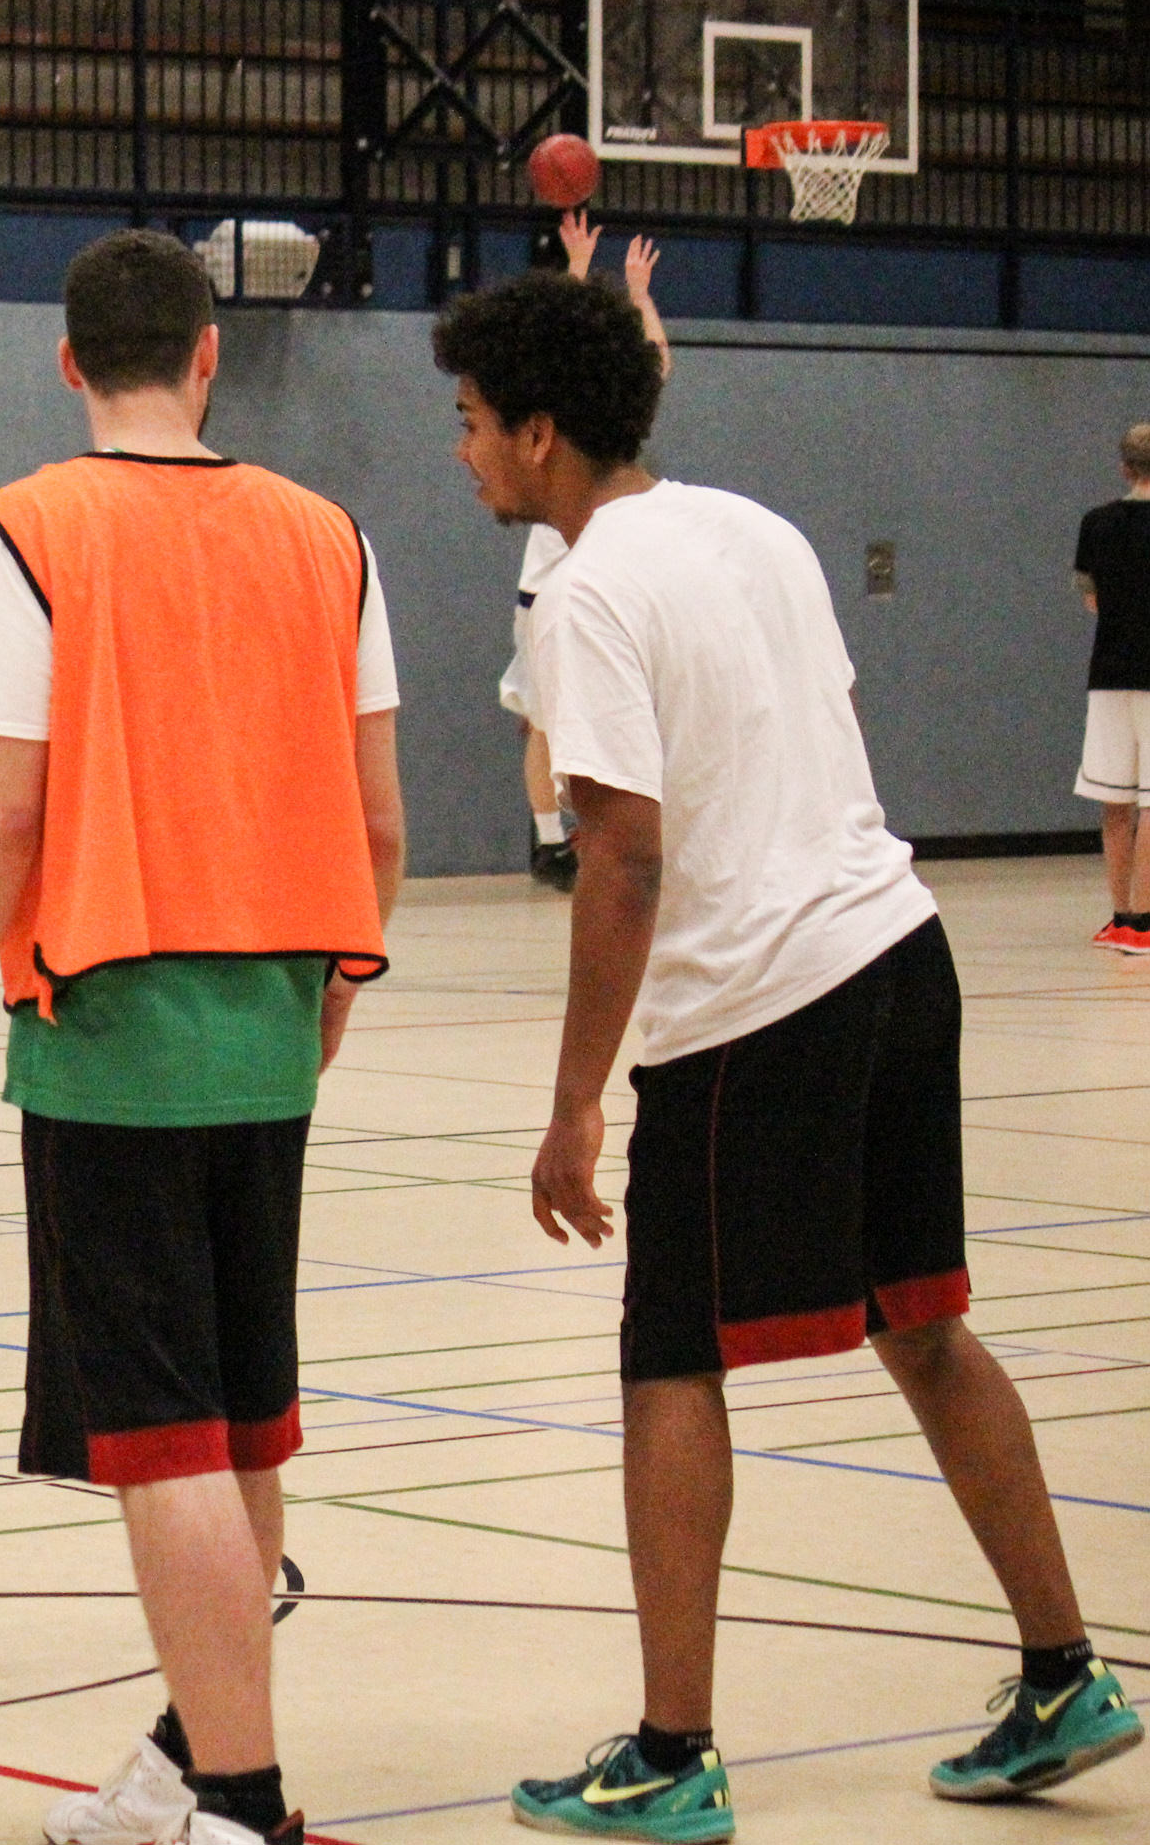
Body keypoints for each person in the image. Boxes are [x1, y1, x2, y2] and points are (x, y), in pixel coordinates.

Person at [426, 270, 1142, 1838]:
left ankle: (669, 1751)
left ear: (538, 432)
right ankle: (1060, 1671)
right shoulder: (755, 528)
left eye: (470, 422)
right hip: (898, 951)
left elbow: (620, 857)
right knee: (921, 1323)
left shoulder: (583, 595)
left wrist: (571, 1103)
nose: (460, 451)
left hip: (758, 1006)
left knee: (666, 1353)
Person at [0, 230, 408, 1845]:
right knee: (242, 1414)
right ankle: (190, 1763)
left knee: (164, 1436)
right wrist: (328, 990)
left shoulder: (29, 528)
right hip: (268, 1020)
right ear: (206, 355)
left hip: (112, 1024)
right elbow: (377, 820)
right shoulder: (328, 535)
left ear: (67, 361)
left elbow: (1, 812)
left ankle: (238, 1803)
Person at [508, 211, 673, 892]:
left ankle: (582, 836)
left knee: (604, 715)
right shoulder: (557, 402)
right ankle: (552, 843)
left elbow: (654, 363)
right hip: (549, 584)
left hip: (608, 578)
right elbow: (560, 337)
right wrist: (580, 268)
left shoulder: (619, 416)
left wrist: (637, 293)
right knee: (544, 722)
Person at [1074, 422, 1150, 952]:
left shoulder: (1095, 524)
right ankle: (1145, 924)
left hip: (1109, 676)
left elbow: (1092, 599)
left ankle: (1121, 916)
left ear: (1124, 467)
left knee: (1115, 800)